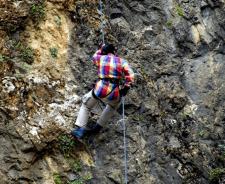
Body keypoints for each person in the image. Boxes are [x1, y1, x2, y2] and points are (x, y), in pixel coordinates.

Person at [71, 43, 134, 139]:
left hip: (100, 89)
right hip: (114, 92)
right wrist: (126, 87)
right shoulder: (122, 61)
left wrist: (101, 49)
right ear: (114, 52)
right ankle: (98, 127)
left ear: (105, 51)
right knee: (113, 106)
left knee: (86, 105)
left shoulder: (100, 58)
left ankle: (80, 129)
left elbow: (94, 56)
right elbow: (130, 75)